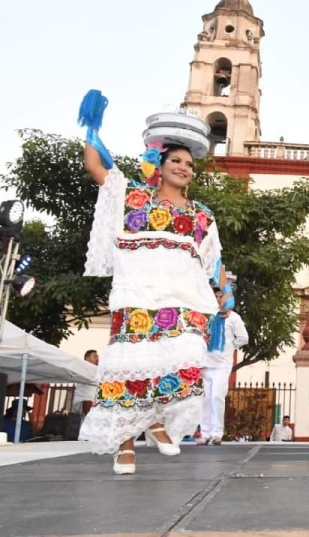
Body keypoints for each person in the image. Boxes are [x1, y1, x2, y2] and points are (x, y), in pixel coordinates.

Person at [80, 104, 223, 474]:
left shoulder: (202, 214)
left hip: (182, 299)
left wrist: (222, 292)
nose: (184, 168)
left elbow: (212, 262)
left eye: (190, 164)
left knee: (188, 359)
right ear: (158, 164)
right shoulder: (133, 198)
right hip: (137, 295)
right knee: (131, 368)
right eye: (176, 160)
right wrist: (92, 129)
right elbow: (97, 168)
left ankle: (155, 419)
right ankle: (124, 446)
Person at [199, 300, 249, 446]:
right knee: (205, 399)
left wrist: (228, 347)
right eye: (215, 296)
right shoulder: (207, 314)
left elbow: (243, 338)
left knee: (216, 397)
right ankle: (205, 433)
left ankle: (217, 434)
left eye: (221, 296)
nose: (218, 299)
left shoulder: (233, 317)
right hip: (205, 363)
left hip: (222, 364)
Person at [71, 350, 99, 416]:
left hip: (91, 402)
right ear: (87, 359)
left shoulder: (96, 370)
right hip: (83, 401)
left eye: (97, 357)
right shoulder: (83, 368)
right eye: (95, 357)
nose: (97, 358)